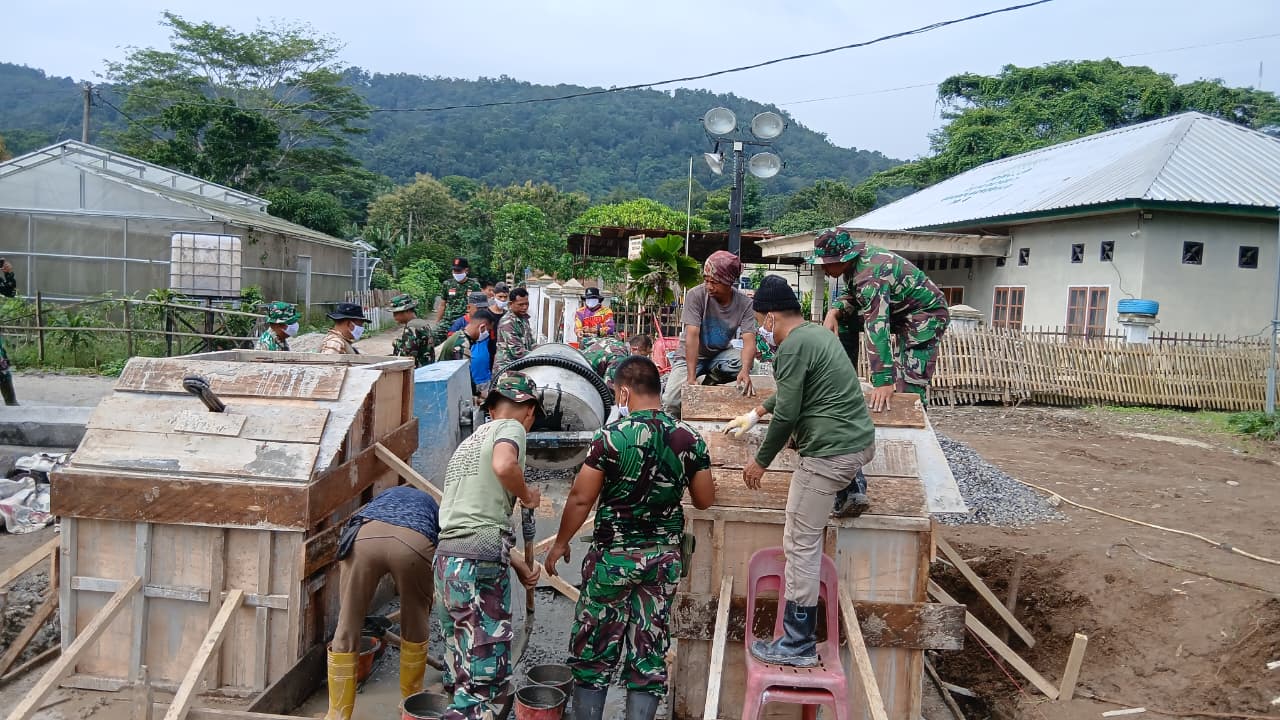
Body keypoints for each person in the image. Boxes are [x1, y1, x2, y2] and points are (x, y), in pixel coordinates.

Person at [545, 356, 715, 720]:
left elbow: (580, 498)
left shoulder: (610, 438)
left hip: (613, 560)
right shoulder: (690, 439)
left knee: (594, 647)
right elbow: (704, 500)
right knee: (649, 649)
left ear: (624, 391)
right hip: (663, 561)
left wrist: (560, 543)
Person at [722, 276, 876, 667]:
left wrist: (761, 461)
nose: (760, 330)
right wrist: (756, 413)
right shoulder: (815, 335)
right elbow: (791, 394)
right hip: (857, 444)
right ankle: (850, 486)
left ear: (772, 317)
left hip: (829, 455)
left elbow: (789, 413)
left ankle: (797, 642)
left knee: (800, 543)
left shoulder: (791, 347)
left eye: (760, 321)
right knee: (805, 537)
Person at [434, 373, 544, 720]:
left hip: (447, 560)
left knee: (458, 663)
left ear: (490, 408)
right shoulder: (510, 429)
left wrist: (517, 563)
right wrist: (527, 496)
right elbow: (504, 465)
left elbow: (472, 522)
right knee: (482, 673)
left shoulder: (468, 445)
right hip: (478, 560)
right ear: (529, 411)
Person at [325, 486, 439, 720]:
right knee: (415, 622)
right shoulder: (432, 507)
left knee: (348, 623)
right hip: (413, 543)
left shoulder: (382, 499)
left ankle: (337, 714)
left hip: (364, 540)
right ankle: (411, 703)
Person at [811, 228, 949, 411]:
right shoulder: (855, 266)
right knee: (843, 317)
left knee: (908, 386)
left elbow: (877, 325)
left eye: (826, 264)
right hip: (900, 312)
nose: (824, 269)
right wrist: (834, 311)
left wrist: (883, 379)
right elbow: (853, 294)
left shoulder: (871, 274)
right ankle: (844, 379)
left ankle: (913, 426)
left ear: (842, 258)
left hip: (925, 315)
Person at [661, 250, 757, 418]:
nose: (709, 286)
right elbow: (692, 335)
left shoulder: (746, 304)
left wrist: (745, 371)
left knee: (750, 365)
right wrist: (690, 379)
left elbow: (749, 340)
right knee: (671, 401)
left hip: (719, 355)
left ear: (729, 282)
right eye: (706, 280)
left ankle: (710, 379)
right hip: (689, 357)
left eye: (714, 282)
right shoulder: (695, 295)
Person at [438, 308, 499, 396]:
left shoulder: (461, 336)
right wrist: (477, 395)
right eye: (488, 330)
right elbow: (463, 377)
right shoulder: (462, 344)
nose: (488, 334)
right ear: (482, 327)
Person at [435, 258, 483, 343]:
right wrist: (438, 322)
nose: (456, 273)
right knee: (434, 336)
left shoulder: (474, 285)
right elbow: (442, 304)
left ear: (466, 270)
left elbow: (478, 306)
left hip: (465, 320)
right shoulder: (447, 284)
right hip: (448, 320)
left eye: (458, 271)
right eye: (454, 270)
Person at [389, 293, 435, 367]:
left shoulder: (411, 326)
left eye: (396, 313)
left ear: (407, 311)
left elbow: (408, 354)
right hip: (427, 367)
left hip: (417, 371)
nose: (394, 317)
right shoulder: (422, 323)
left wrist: (396, 343)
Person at [495, 288, 535, 367]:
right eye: (521, 304)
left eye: (527, 304)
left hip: (520, 365)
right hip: (507, 369)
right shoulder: (507, 323)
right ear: (510, 304)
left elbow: (531, 343)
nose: (524, 307)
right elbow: (517, 351)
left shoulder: (524, 319)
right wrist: (539, 356)